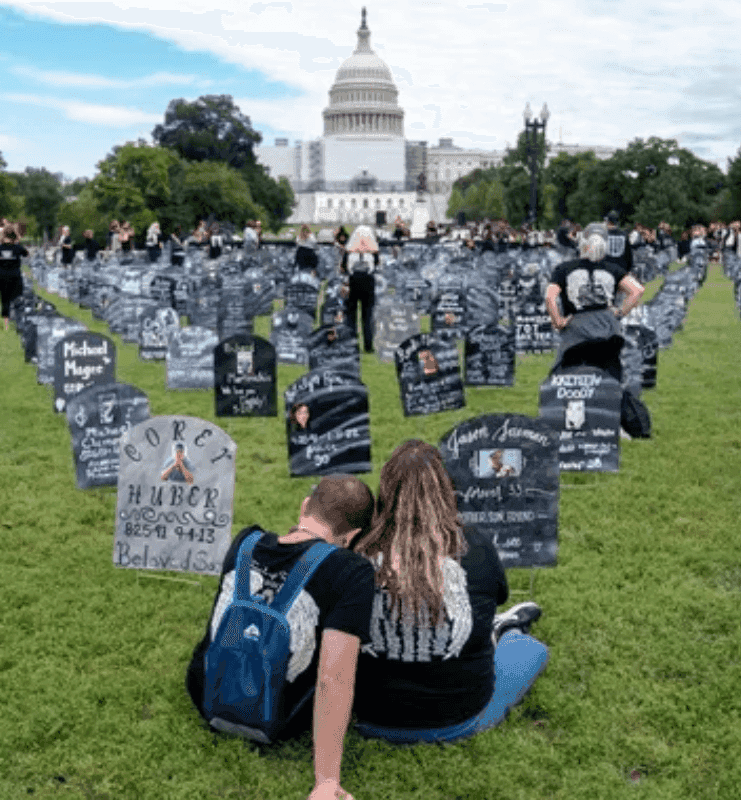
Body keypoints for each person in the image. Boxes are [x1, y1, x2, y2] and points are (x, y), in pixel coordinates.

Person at [186, 476, 376, 800]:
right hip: (280, 716)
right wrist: (326, 781)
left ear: (305, 506)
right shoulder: (351, 571)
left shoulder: (246, 541)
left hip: (205, 693)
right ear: (353, 536)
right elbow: (334, 678)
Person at [351, 440, 548, 743]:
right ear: (446, 489)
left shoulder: (357, 551)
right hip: (460, 720)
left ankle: (496, 631)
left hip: (368, 717)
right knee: (529, 648)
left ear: (386, 491)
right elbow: (498, 596)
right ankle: (503, 632)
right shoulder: (475, 546)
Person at [545, 222, 645, 382]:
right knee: (610, 377)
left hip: (576, 327)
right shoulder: (612, 268)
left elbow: (550, 297)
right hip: (607, 327)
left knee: (565, 377)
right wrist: (620, 313)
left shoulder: (564, 269)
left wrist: (558, 321)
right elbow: (637, 290)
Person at [342, 225, 378, 354]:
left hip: (353, 282)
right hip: (368, 282)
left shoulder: (349, 252)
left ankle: (352, 344)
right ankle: (368, 346)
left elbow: (343, 268)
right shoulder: (373, 253)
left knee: (351, 316)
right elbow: (376, 266)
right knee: (367, 316)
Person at [0, 227, 29, 331]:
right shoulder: (18, 247)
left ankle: (6, 325)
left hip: (3, 275)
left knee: (5, 299)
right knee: (17, 299)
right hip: (15, 275)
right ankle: (18, 322)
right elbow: (26, 254)